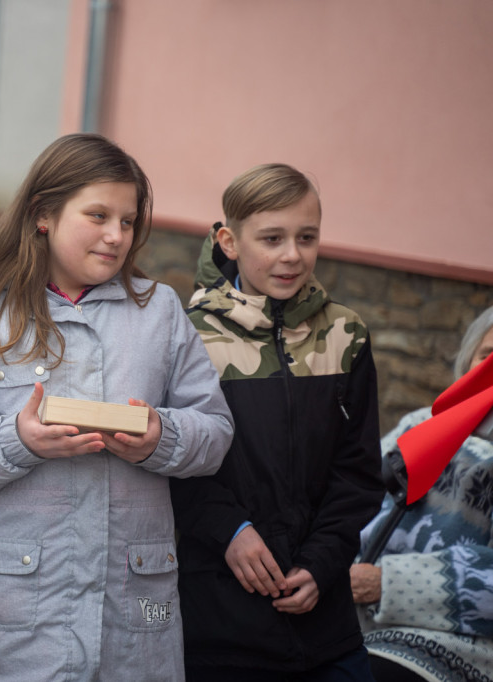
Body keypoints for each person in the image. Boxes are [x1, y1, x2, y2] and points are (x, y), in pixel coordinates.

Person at [0, 133, 234, 680]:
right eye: (98, 215)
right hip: (11, 615)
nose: (116, 236)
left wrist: (162, 437)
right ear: (43, 215)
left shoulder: (158, 312)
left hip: (138, 610)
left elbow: (216, 432)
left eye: (128, 221)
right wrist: (17, 439)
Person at [174, 163, 385, 680]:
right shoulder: (188, 337)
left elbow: (357, 472)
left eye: (306, 237)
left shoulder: (347, 335)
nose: (292, 254)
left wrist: (321, 563)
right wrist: (230, 531)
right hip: (220, 621)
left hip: (325, 621)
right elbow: (171, 462)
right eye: (272, 238)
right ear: (229, 241)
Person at [352, 307, 493, 682]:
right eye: (487, 355)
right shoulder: (421, 424)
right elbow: (357, 494)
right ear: (468, 362)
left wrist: (386, 583)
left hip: (455, 643)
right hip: (351, 616)